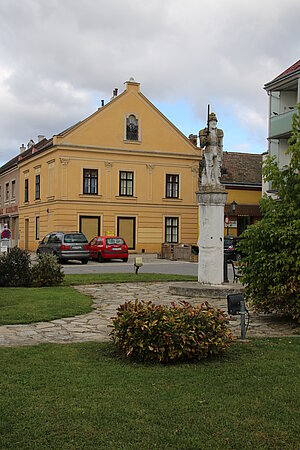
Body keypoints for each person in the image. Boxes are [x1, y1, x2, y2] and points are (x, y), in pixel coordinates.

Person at [199, 112, 223, 187]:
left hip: (217, 149)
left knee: (217, 166)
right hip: (208, 149)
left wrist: (221, 153)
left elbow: (221, 144)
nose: (214, 122)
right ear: (208, 122)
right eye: (212, 121)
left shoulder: (219, 132)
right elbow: (202, 145)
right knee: (208, 165)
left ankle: (216, 180)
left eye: (215, 121)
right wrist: (206, 136)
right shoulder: (203, 131)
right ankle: (208, 180)